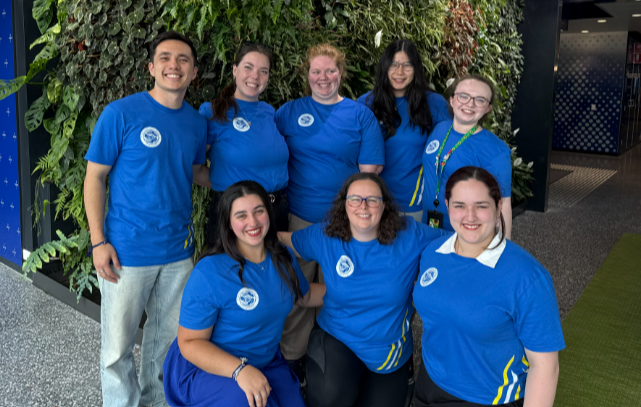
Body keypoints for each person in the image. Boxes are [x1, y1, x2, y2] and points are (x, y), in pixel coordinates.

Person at [84, 31, 208, 406]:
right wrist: (98, 241)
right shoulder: (121, 113)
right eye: (165, 58)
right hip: (126, 252)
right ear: (151, 67)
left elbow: (196, 172)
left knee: (166, 345)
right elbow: (94, 177)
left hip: (177, 252)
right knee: (116, 351)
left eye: (183, 59)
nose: (174, 65)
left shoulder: (196, 123)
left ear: (194, 72)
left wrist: (246, 175)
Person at [278, 172, 446, 407]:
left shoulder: (410, 235)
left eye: (372, 200)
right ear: (345, 204)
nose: (363, 206)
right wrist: (241, 243)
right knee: (330, 397)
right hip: (338, 336)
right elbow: (283, 241)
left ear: (384, 205)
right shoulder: (327, 235)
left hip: (388, 352)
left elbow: (455, 243)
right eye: (355, 199)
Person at [274, 44, 385, 378]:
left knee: (341, 294)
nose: (323, 78)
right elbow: (267, 153)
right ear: (306, 75)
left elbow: (370, 172)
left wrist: (356, 217)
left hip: (345, 225)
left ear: (341, 73)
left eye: (330, 70)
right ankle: (293, 361)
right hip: (299, 220)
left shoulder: (360, 116)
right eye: (316, 71)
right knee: (296, 293)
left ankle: (336, 365)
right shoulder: (289, 113)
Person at [162, 181, 325, 407]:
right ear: (228, 223)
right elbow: (189, 342)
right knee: (247, 401)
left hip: (265, 362)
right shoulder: (210, 271)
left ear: (269, 213)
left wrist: (355, 291)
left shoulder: (282, 257)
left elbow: (304, 296)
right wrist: (239, 370)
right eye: (241, 215)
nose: (253, 221)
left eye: (259, 211)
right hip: (209, 366)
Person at [413, 166, 565, 407]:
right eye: (460, 205)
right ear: (447, 205)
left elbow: (545, 367)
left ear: (498, 207)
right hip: (429, 380)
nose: (470, 216)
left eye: (481, 206)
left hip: (486, 396)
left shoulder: (527, 278)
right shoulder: (433, 252)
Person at [197, 42, 289, 248]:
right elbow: (194, 170)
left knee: (274, 268)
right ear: (234, 69)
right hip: (235, 213)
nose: (255, 76)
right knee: (231, 268)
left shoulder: (270, 112)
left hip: (276, 212)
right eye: (248, 67)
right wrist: (232, 188)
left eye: (263, 71)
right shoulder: (212, 113)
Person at [358, 39, 450, 222]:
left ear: (416, 69)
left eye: (407, 65)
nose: (399, 72)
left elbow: (452, 149)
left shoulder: (434, 103)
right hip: (371, 202)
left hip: (414, 204)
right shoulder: (365, 103)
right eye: (393, 65)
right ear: (384, 67)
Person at [421, 74, 513, 238]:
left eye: (480, 100)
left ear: (487, 108)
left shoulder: (496, 151)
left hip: (466, 234)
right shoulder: (440, 129)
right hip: (429, 226)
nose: (470, 104)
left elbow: (503, 204)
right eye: (463, 96)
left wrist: (503, 247)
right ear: (452, 100)